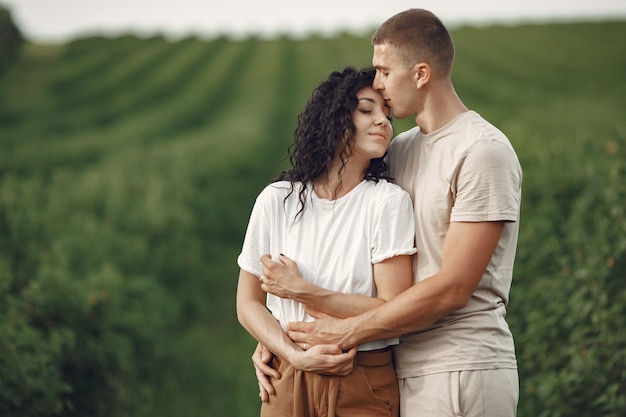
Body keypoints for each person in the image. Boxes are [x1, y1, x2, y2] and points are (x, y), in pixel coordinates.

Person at [255, 9, 523, 417]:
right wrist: (278, 339)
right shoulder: (400, 149)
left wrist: (340, 329)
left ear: (420, 74)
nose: (377, 83)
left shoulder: (482, 151)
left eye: (383, 70)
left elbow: (453, 288)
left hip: (463, 367)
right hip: (404, 366)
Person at [236, 66, 416, 417]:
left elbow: (394, 309)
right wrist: (293, 354)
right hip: (285, 374)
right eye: (367, 110)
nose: (383, 121)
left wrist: (302, 290)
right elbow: (248, 302)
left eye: (387, 113)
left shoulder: (388, 202)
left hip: (361, 375)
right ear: (334, 119)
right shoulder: (276, 200)